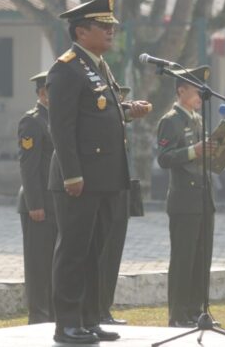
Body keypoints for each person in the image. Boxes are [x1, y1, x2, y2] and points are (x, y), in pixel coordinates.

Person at [47, 0, 151, 344]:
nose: (111, 32)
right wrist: (71, 173)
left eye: (112, 26)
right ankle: (67, 323)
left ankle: (90, 318)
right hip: (81, 179)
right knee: (75, 250)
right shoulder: (66, 68)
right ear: (80, 31)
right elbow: (61, 126)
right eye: (102, 26)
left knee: (96, 251)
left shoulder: (97, 65)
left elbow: (100, 113)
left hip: (107, 177)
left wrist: (126, 110)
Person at [156, 66, 217, 328]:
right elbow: (164, 159)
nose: (200, 97)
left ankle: (197, 311)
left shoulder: (197, 118)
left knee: (202, 258)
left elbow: (207, 159)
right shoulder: (171, 120)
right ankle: (179, 315)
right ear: (181, 90)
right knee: (183, 259)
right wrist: (194, 150)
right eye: (196, 91)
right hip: (184, 199)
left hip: (204, 197)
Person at [17, 71, 57, 324]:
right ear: (43, 93)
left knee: (54, 263)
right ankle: (39, 317)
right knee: (38, 265)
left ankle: (53, 315)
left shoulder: (56, 119)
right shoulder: (33, 121)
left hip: (57, 203)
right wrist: (36, 204)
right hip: (39, 203)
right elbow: (28, 166)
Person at [98, 86, 131, 326]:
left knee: (112, 259)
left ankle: (104, 309)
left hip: (119, 197)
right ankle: (94, 311)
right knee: (99, 257)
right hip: (102, 195)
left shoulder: (122, 130)